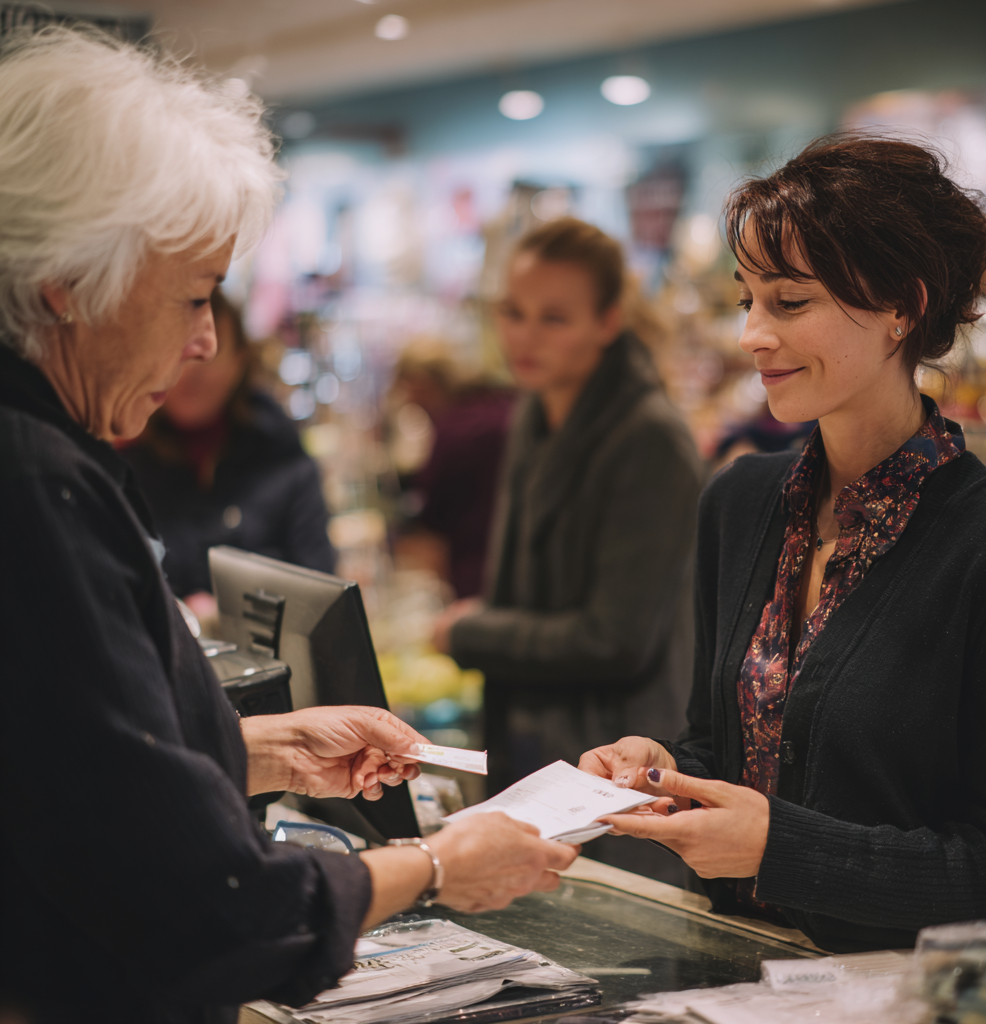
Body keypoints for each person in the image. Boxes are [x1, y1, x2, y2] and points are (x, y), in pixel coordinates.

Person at [0, 28, 576, 1024]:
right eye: (188, 294)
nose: (205, 340)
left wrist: (260, 748)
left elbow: (64, 766)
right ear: (67, 280)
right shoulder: (37, 481)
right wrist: (434, 864)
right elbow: (207, 912)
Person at [579, 135, 986, 953]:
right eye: (747, 298)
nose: (750, 334)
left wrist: (782, 848)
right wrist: (659, 771)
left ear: (902, 309)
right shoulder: (741, 501)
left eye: (788, 303)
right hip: (729, 968)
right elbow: (719, 749)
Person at [433, 217, 703, 884]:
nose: (524, 336)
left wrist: (472, 630)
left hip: (611, 766)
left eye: (554, 318)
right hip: (533, 748)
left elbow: (617, 639)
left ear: (608, 321)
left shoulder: (649, 438)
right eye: (513, 313)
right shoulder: (536, 406)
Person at [122, 287, 335, 615]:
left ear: (239, 361)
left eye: (207, 353)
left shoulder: (284, 460)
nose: (190, 370)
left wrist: (229, 612)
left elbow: (322, 594)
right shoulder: (125, 466)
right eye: (177, 350)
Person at [392, 340, 515, 598]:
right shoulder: (498, 403)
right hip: (514, 556)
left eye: (410, 387)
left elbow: (432, 513)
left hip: (476, 568)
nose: (409, 398)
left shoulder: (455, 431)